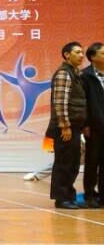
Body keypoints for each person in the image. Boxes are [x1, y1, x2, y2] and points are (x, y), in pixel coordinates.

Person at [47, 42, 86, 209]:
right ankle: (62, 198)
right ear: (67, 54)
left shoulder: (75, 73)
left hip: (74, 126)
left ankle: (69, 195)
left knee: (73, 163)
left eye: (82, 52)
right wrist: (64, 126)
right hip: (65, 128)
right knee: (64, 163)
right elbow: (60, 101)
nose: (81, 55)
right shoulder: (64, 73)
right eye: (77, 52)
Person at [81, 42, 104, 208]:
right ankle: (89, 195)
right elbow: (82, 102)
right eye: (103, 53)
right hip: (94, 126)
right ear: (92, 57)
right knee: (92, 161)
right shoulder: (85, 75)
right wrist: (85, 123)